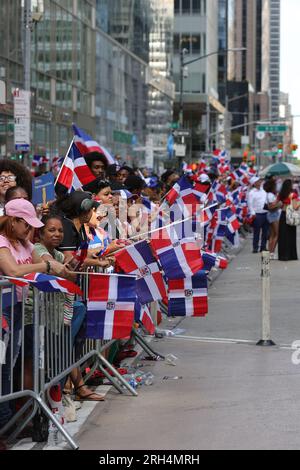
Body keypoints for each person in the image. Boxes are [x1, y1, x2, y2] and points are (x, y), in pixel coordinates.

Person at [0, 200, 65, 432]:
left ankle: (7, 421)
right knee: (1, 367)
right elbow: (13, 271)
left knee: (9, 367)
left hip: (15, 309)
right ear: (14, 221)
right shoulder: (2, 242)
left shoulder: (24, 242)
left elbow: (44, 260)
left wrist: (53, 265)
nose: (30, 230)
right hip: (2, 312)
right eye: (26, 225)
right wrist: (46, 268)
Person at [35, 215, 105, 402]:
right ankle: (68, 390)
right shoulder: (38, 249)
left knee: (66, 347)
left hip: (57, 313)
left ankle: (70, 388)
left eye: (60, 231)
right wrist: (67, 267)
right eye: (51, 230)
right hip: (40, 317)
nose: (57, 234)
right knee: (60, 351)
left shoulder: (57, 253)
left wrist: (75, 263)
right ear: (40, 233)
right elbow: (55, 268)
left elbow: (70, 275)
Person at [278, 179, 300, 261]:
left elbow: (279, 205)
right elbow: (295, 207)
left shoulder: (280, 194)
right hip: (290, 216)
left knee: (283, 236)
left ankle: (283, 255)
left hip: (283, 215)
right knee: (291, 236)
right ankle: (291, 255)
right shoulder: (293, 195)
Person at [248, 176, 269, 254]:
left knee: (265, 232)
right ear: (254, 183)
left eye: (260, 181)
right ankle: (255, 247)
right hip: (257, 214)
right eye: (258, 181)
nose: (259, 183)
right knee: (256, 232)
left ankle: (263, 247)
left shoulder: (263, 191)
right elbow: (250, 204)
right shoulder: (251, 193)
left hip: (265, 213)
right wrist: (253, 213)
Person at [264, 179, 282, 259]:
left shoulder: (269, 194)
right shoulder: (270, 195)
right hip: (273, 215)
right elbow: (270, 207)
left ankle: (270, 253)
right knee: (277, 234)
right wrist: (279, 204)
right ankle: (272, 253)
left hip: (272, 215)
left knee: (272, 235)